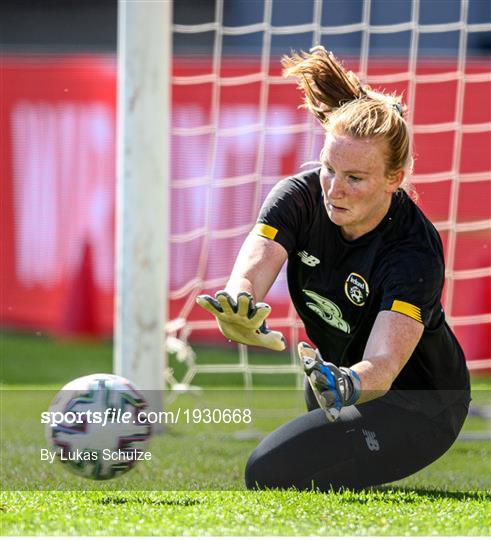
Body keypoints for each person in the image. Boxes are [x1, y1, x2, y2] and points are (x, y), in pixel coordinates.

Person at [196, 47, 471, 491]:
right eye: (328, 168)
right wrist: (238, 303)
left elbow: (381, 369)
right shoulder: (298, 198)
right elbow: (253, 266)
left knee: (264, 473)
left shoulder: (413, 250)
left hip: (422, 405)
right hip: (338, 381)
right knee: (294, 468)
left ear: (394, 179)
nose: (334, 190)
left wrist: (343, 384)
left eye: (355, 179)